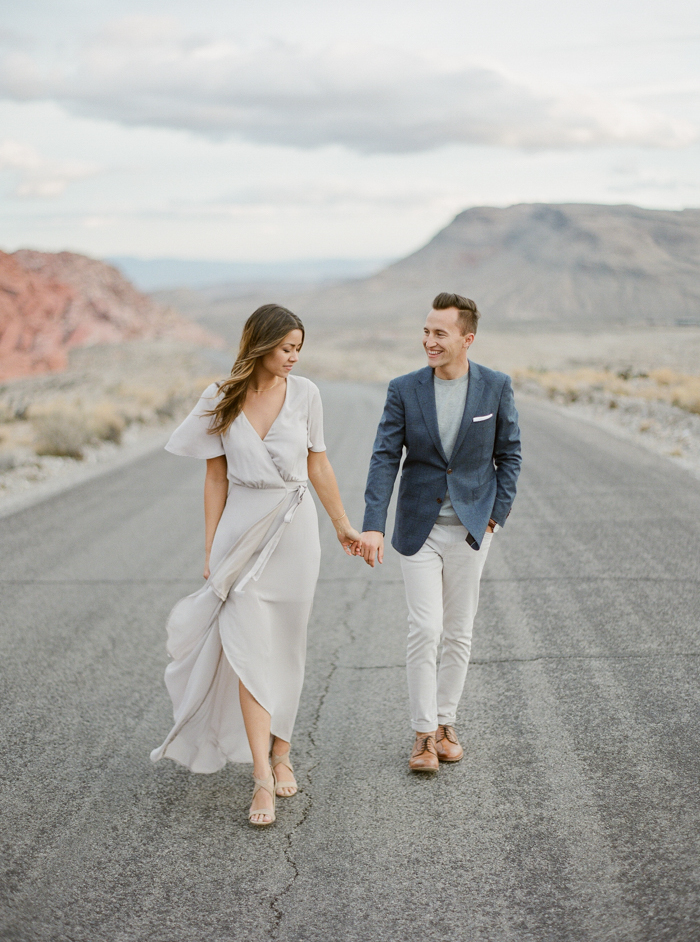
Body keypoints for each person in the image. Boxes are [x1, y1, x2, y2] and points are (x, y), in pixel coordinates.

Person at [151, 304, 361, 825]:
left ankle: (282, 752)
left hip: (294, 532)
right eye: (286, 347)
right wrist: (210, 549)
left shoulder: (307, 393)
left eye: (298, 349)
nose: (293, 357)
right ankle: (261, 779)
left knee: (287, 649)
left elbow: (318, 463)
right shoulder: (220, 396)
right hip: (239, 533)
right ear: (260, 344)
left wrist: (342, 525)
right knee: (247, 651)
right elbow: (215, 479)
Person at [360, 293, 521, 772]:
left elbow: (509, 455)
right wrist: (372, 523)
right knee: (424, 627)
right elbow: (385, 457)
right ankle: (423, 734)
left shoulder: (495, 387)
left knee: (459, 631)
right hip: (419, 527)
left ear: (466, 339)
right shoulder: (404, 389)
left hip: (472, 528)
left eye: (439, 333)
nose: (428, 341)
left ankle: (447, 722)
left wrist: (496, 515)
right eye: (426, 331)